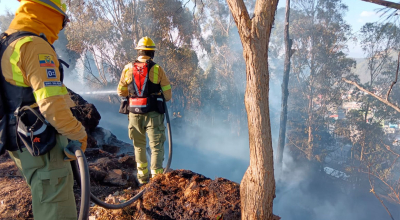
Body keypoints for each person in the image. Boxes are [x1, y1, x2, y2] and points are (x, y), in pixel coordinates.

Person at [0, 0, 87, 219]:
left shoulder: (8, 42)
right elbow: (52, 106)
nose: (61, 28)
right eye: (63, 21)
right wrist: (78, 134)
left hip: (19, 140)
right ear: (49, 14)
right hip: (41, 142)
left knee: (44, 197)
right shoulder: (34, 45)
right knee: (55, 206)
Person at [117, 36, 172, 184]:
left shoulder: (128, 68)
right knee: (156, 147)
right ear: (151, 53)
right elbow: (167, 95)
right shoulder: (157, 69)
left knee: (139, 146)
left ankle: (142, 179)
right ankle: (156, 180)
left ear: (139, 51)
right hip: (153, 114)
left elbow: (121, 91)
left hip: (134, 114)